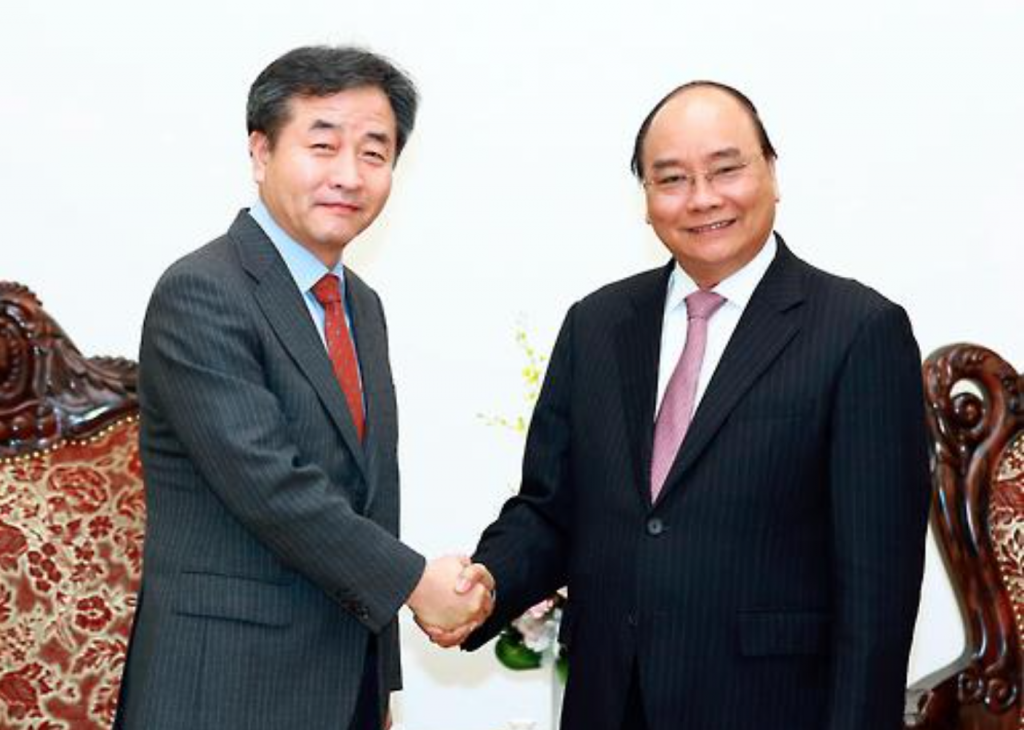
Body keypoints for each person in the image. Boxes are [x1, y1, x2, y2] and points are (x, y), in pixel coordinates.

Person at [448, 81, 932, 730]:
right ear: (645, 200)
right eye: (671, 178)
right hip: (609, 702)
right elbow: (552, 510)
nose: (703, 198)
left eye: (726, 169)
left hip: (771, 710)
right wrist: (484, 588)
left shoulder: (857, 331)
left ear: (772, 174)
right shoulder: (597, 324)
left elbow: (878, 590)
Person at [113, 45, 492, 730]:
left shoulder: (360, 306)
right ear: (260, 153)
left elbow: (372, 495)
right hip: (222, 688)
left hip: (339, 686)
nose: (349, 175)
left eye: (374, 153)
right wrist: (416, 584)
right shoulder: (203, 291)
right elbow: (271, 487)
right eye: (323, 146)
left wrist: (379, 688)